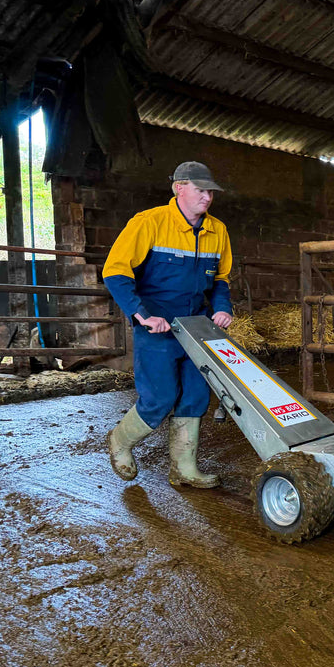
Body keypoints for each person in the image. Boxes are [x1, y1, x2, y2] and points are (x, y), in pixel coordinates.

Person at [102, 161, 233, 488]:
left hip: (196, 328)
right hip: (157, 327)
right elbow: (115, 273)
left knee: (195, 395)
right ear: (179, 187)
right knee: (160, 398)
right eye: (201, 190)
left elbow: (220, 280)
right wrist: (141, 314)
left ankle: (183, 469)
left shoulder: (217, 230)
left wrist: (222, 308)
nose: (207, 198)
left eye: (210, 192)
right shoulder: (149, 223)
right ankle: (120, 440)